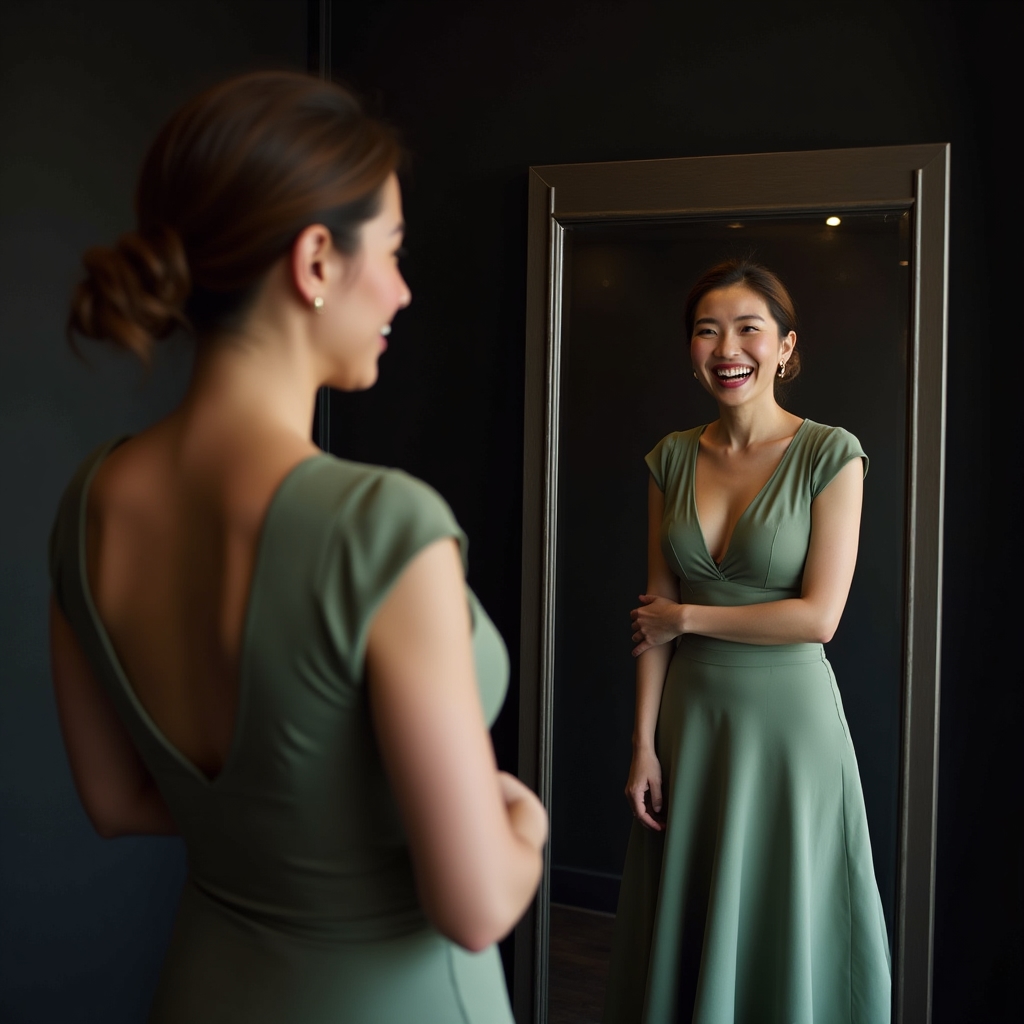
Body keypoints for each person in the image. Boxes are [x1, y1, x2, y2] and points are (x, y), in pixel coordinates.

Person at [48, 71, 547, 1024]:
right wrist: (520, 822)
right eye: (393, 252)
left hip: (205, 986)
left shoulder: (88, 506)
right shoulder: (381, 526)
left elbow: (115, 800)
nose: (402, 291)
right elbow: (475, 905)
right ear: (316, 261)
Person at [603, 260, 891, 1023]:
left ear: (786, 346)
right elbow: (653, 610)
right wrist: (642, 744)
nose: (727, 346)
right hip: (691, 721)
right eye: (707, 330)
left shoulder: (832, 452)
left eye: (747, 328)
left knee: (782, 915)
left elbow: (819, 617)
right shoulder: (671, 457)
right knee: (688, 923)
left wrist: (690, 619)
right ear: (691, 350)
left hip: (790, 725)